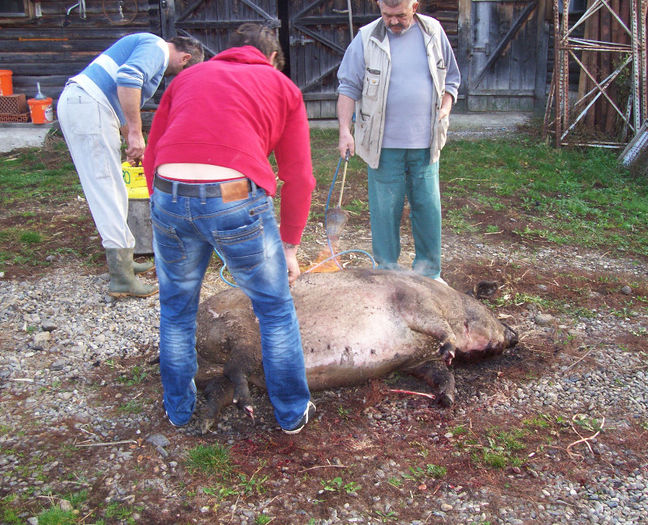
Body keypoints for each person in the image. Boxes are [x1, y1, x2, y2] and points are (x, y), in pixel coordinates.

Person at [142, 24, 317, 434]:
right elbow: (300, 177)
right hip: (234, 196)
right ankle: (292, 413)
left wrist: (167, 205)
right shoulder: (280, 85)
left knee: (176, 309)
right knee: (274, 310)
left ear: (230, 50)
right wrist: (289, 245)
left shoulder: (187, 76)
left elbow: (152, 153)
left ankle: (178, 409)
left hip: (169, 191)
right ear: (273, 57)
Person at [57, 33, 204, 298]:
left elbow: (121, 89)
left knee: (114, 187)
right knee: (106, 189)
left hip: (93, 107)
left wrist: (127, 134)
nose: (173, 77)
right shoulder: (157, 47)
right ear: (185, 58)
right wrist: (136, 132)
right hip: (88, 108)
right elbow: (128, 78)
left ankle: (124, 260)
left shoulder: (148, 46)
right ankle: (121, 277)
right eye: (181, 71)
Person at [336, 0, 460, 282]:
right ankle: (388, 274)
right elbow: (348, 87)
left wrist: (445, 106)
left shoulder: (434, 32)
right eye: (387, 15)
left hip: (426, 142)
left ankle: (430, 274)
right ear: (380, 7)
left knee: (427, 208)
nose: (393, 22)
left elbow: (451, 79)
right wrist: (345, 130)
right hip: (382, 145)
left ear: (414, 6)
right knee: (384, 211)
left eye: (400, 15)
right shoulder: (367, 38)